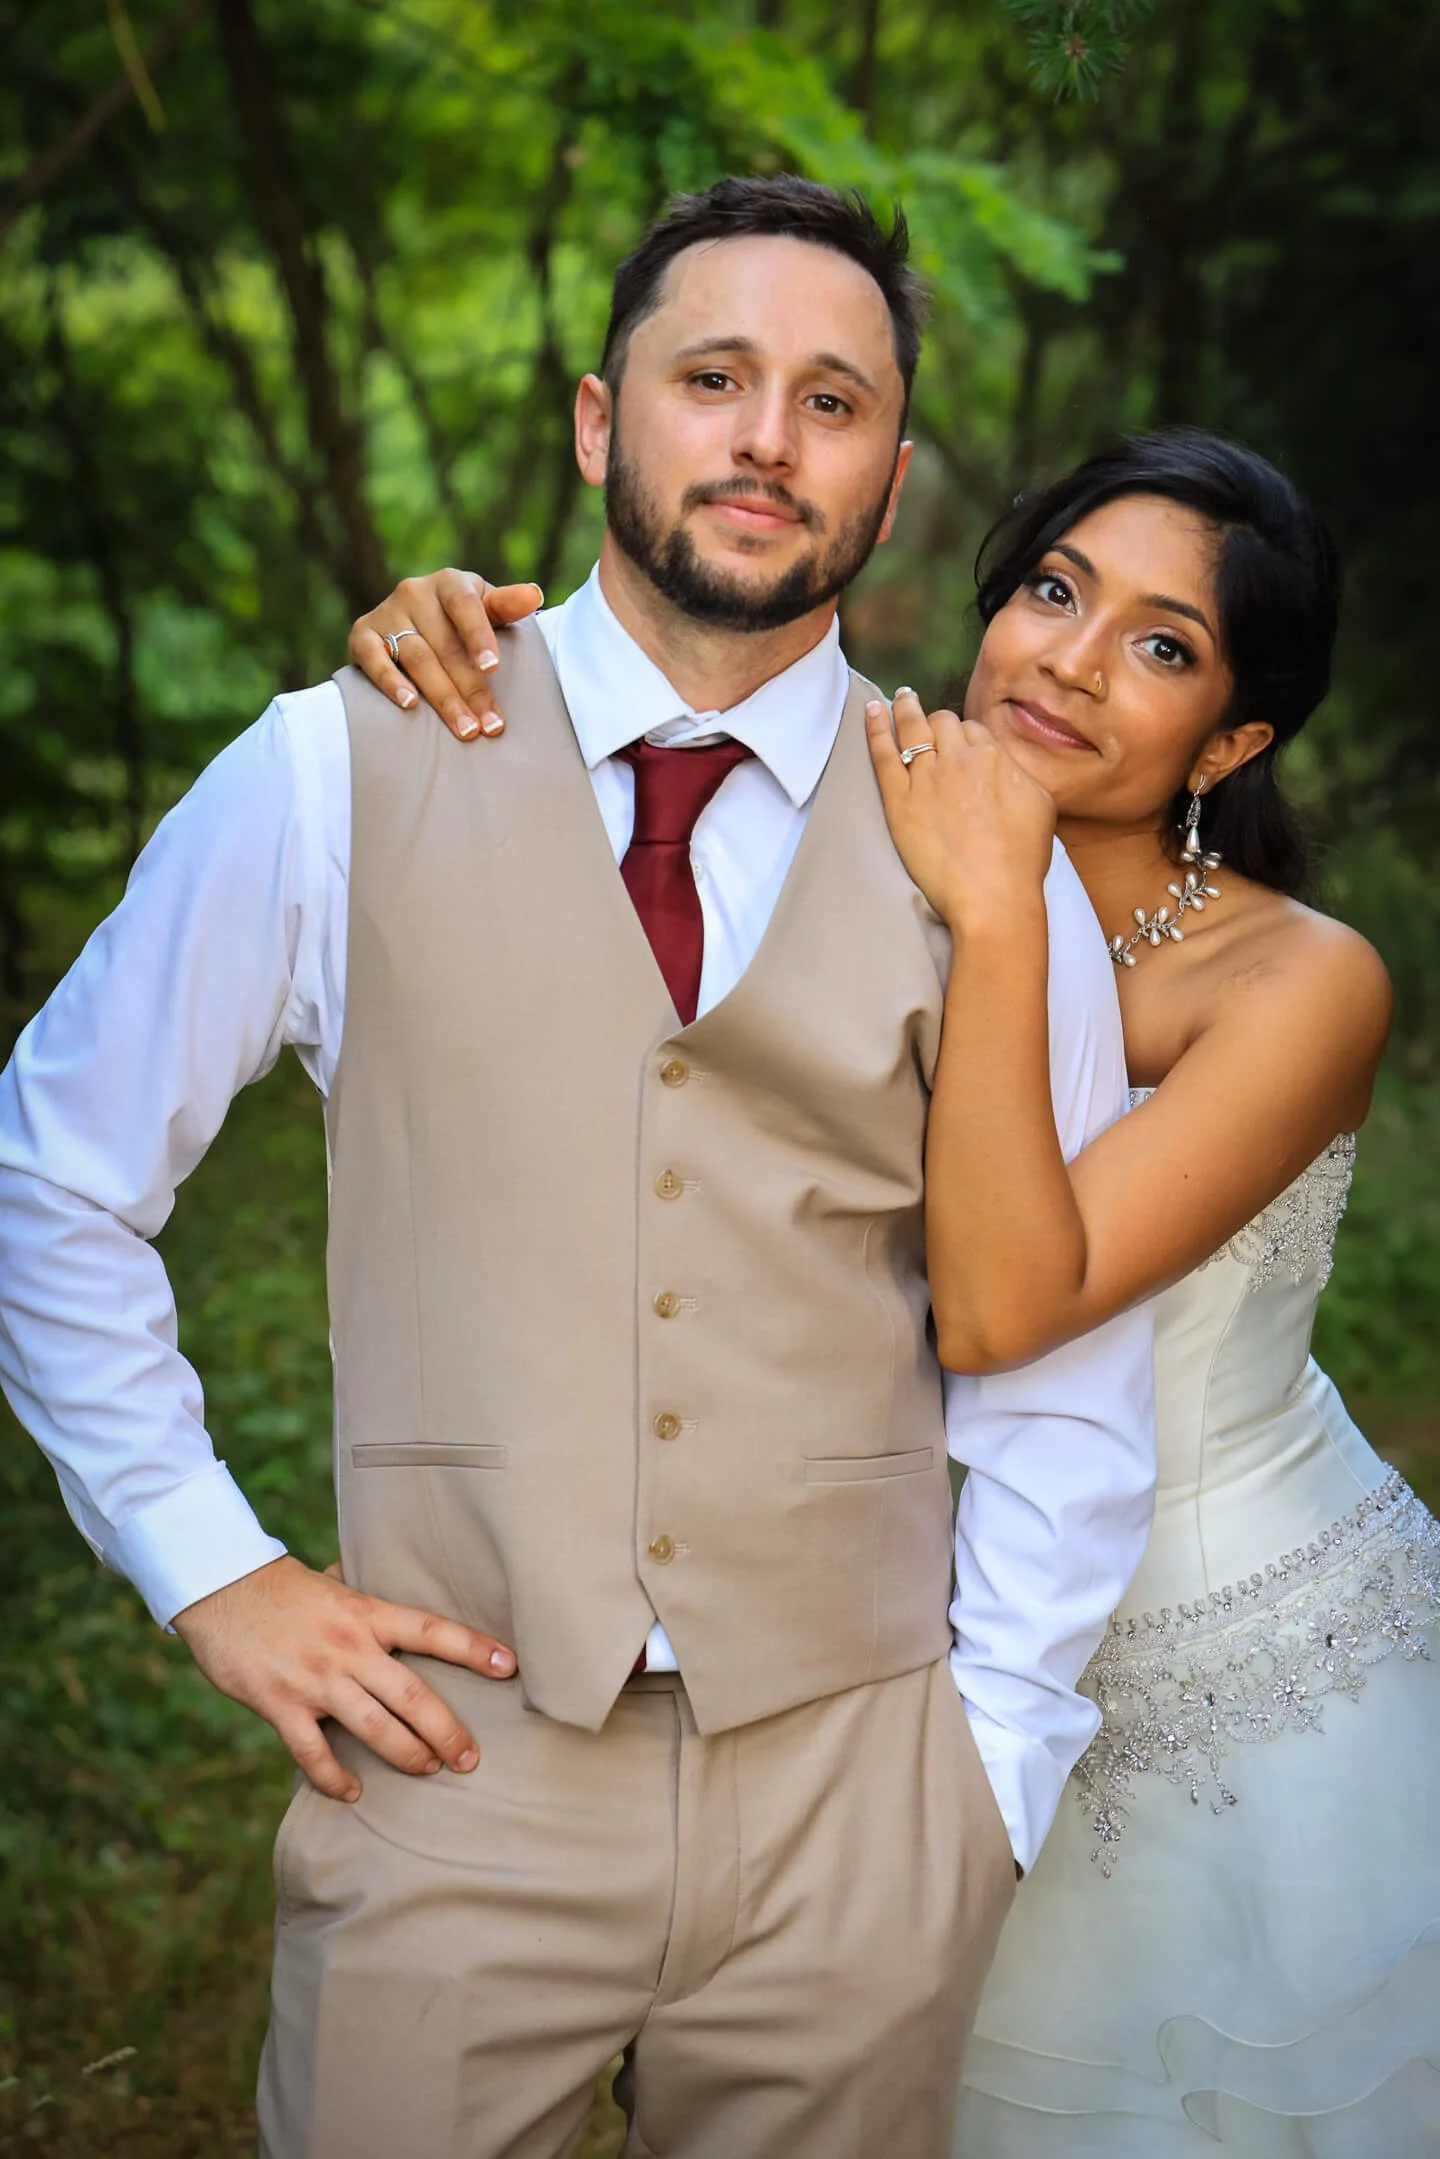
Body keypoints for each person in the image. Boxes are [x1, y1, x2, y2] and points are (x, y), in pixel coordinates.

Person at [0, 177, 1156, 2159]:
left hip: (861, 1801)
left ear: (889, 481)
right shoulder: (325, 768)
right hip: (458, 1771)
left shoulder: (986, 848)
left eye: (833, 399)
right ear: (599, 424)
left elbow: (1058, 1349)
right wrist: (220, 1571)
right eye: (713, 378)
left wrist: (991, 1766)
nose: (767, 436)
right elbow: (49, 1177)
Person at [355, 427, 1440, 2152]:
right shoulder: (850, 801)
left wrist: (1000, 918)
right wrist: (436, 640)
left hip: (1240, 1654)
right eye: (1055, 593)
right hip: (898, 1633)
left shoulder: (1301, 982)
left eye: (1163, 646)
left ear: (1233, 739)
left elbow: (1005, 1309)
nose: (1072, 662)